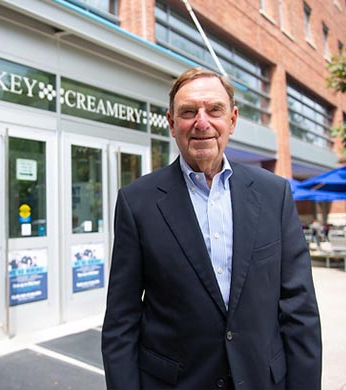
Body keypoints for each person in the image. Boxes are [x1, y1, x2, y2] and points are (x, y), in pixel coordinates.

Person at [101, 68, 322, 389]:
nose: (201, 122)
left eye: (214, 110)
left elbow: (300, 309)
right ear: (172, 123)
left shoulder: (274, 194)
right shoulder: (137, 202)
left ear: (232, 120)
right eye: (188, 112)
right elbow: (121, 320)